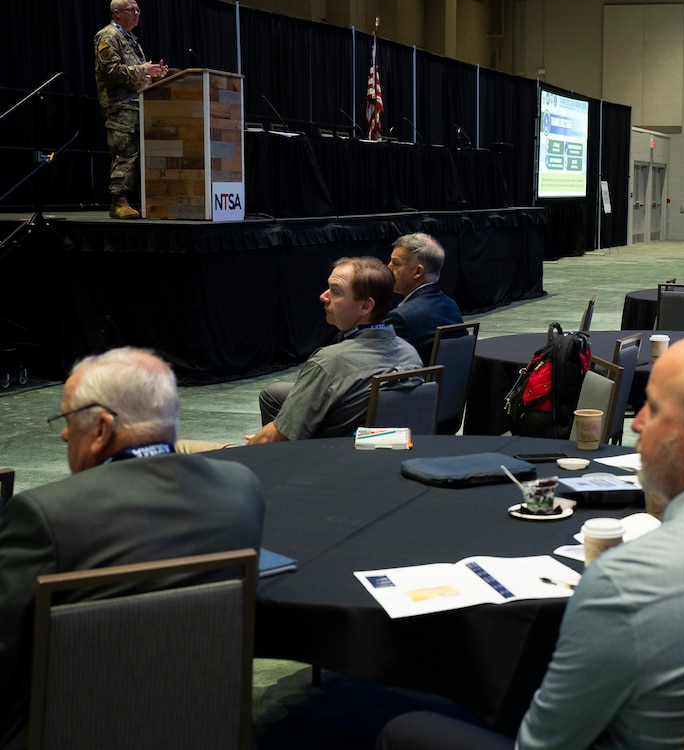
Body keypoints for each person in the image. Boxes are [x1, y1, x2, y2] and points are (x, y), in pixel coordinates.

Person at [375, 336, 684, 750]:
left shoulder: (629, 582)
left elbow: (544, 745)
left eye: (652, 408)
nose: (640, 424)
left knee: (404, 729)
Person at [0, 348, 264, 747]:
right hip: (205, 723)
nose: (64, 434)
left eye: (69, 420)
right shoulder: (241, 489)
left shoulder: (46, 515)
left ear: (103, 429)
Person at [253, 257, 421, 442]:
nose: (323, 296)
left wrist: (249, 444)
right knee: (274, 395)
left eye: (335, 292)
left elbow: (274, 439)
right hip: (388, 449)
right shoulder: (411, 353)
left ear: (365, 306)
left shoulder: (328, 362)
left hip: (329, 458)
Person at [94, 0, 169, 219]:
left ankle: (138, 200)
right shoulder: (108, 36)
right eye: (130, 10)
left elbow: (136, 75)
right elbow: (112, 72)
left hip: (138, 106)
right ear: (117, 13)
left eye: (137, 10)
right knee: (124, 153)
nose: (136, 14)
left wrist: (154, 75)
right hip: (120, 106)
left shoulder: (130, 38)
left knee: (137, 155)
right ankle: (118, 202)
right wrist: (144, 70)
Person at [384, 233, 464, 363]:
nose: (389, 267)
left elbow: (385, 366)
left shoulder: (401, 318)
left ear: (418, 272)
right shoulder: (451, 305)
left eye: (396, 263)